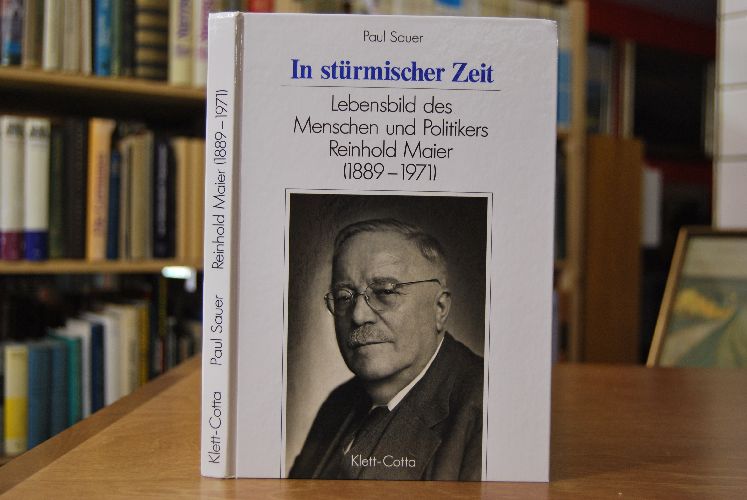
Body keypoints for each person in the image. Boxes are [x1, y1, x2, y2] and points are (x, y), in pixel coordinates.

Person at [289, 218, 483, 480]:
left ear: (440, 309)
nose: (358, 315)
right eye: (344, 296)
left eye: (385, 292)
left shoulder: (485, 408)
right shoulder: (337, 405)